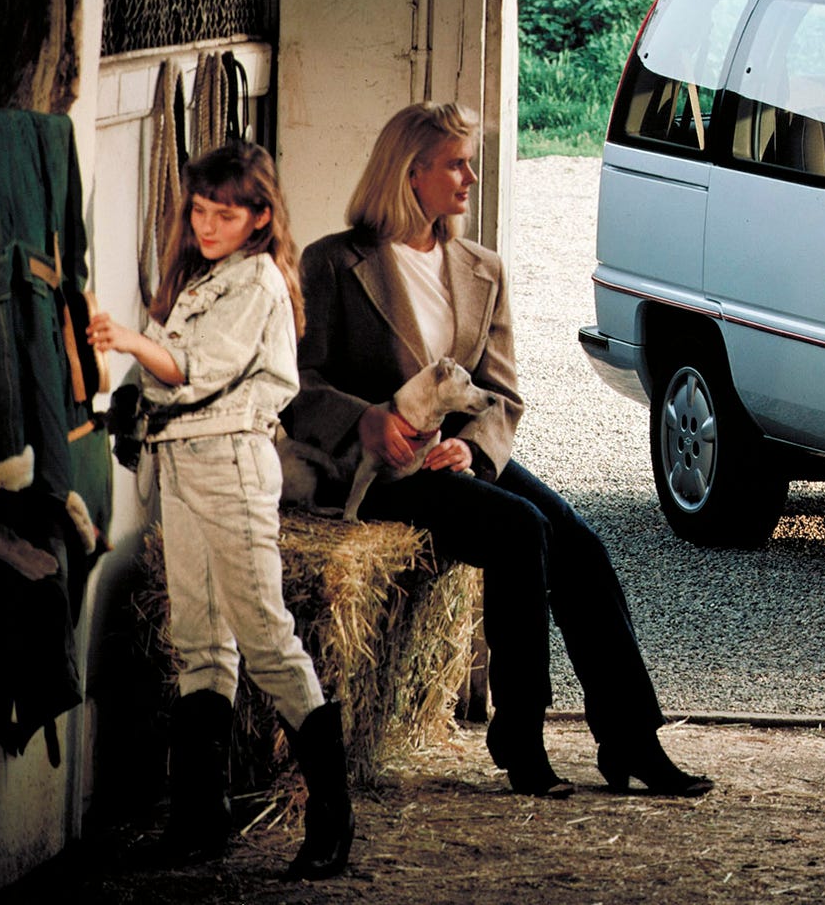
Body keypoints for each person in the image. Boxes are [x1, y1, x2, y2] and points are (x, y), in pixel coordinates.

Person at [282, 101, 712, 800]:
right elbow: (298, 384)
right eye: (456, 162)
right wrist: (365, 421)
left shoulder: (481, 267)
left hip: (455, 459)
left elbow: (501, 393)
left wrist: (471, 452)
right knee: (522, 528)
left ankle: (631, 739)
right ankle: (522, 734)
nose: (471, 176)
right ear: (410, 171)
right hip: (379, 468)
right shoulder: (334, 263)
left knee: (585, 548)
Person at [88, 142, 352, 879]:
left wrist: (129, 339)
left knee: (264, 633)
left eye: (224, 212)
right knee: (198, 636)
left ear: (259, 218)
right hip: (184, 458)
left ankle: (333, 819)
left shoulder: (258, 281)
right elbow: (170, 378)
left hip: (231, 461)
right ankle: (200, 816)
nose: (206, 223)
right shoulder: (210, 278)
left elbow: (194, 368)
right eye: (199, 210)